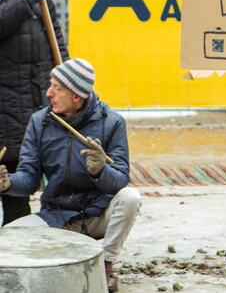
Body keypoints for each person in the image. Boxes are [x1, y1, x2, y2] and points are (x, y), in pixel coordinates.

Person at [0, 58, 141, 292]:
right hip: (57, 218)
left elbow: (120, 180)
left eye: (57, 88)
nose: (48, 93)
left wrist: (100, 171)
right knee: (10, 235)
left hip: (98, 214)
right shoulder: (39, 122)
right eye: (51, 85)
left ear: (77, 96)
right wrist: (7, 184)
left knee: (130, 197)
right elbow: (29, 178)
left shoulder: (112, 122)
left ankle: (105, 265)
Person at [0, 0, 69, 225]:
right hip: (7, 101)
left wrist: (66, 79)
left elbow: (55, 34)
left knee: (50, 170)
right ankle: (14, 252)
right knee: (13, 175)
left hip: (39, 96)